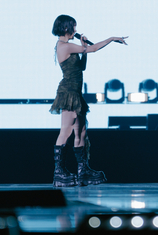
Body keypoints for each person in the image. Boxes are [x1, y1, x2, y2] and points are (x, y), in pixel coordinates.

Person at [50, 15, 128, 187]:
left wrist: (84, 47)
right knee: (66, 131)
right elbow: (93, 50)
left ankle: (82, 171)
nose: (75, 31)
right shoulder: (64, 46)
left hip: (76, 93)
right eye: (73, 27)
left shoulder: (71, 46)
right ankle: (59, 172)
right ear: (65, 28)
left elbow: (82, 65)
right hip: (68, 92)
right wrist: (112, 38)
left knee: (81, 132)